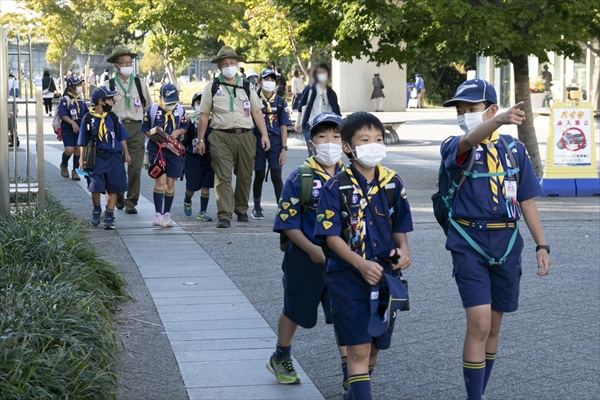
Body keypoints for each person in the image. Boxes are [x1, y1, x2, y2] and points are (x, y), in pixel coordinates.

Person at [440, 79, 551, 400]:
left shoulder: (514, 150)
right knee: (478, 323)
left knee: (493, 327)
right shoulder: (456, 144)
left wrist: (541, 245)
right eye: (460, 111)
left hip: (507, 244)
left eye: (471, 109)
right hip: (468, 243)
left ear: (490, 108)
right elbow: (469, 139)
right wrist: (498, 120)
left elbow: (527, 199)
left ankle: (481, 391)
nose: (464, 116)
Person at [314, 112, 413, 400]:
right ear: (348, 147)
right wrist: (359, 263)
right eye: (365, 140)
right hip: (346, 276)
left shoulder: (393, 183)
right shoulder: (336, 186)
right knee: (357, 348)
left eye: (379, 139)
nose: (374, 145)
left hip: (384, 276)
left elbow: (400, 228)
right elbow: (331, 237)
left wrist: (404, 252)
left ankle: (354, 394)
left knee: (374, 347)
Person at [268, 112, 346, 386]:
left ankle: (352, 370)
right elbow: (287, 222)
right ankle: (281, 355)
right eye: (322, 136)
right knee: (295, 309)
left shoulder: (351, 178)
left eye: (336, 136)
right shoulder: (299, 178)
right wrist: (312, 249)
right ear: (311, 143)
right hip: (304, 258)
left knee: (344, 313)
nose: (330, 142)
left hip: (342, 261)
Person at [196, 45, 270, 228]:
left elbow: (257, 111)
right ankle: (224, 215)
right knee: (223, 176)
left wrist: (264, 134)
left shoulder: (247, 85)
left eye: (231, 62)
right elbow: (204, 114)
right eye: (224, 63)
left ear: (236, 63)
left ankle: (241, 208)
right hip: (220, 136)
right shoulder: (212, 87)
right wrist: (201, 139)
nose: (228, 66)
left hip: (245, 135)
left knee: (245, 175)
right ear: (219, 67)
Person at [104, 46, 151, 214]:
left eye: (130, 62)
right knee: (117, 167)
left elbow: (149, 108)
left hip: (137, 128)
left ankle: (131, 202)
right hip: (116, 129)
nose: (127, 65)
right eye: (123, 62)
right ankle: (119, 197)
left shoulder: (140, 84)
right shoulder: (108, 85)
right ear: (116, 65)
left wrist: (150, 129)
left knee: (135, 168)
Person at [77, 86, 131, 229]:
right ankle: (96, 208)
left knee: (113, 187)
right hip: (97, 158)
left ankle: (109, 215)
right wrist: (81, 159)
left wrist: (126, 152)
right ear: (101, 102)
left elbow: (122, 137)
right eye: (110, 99)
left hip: (114, 157)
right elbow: (83, 140)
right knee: (95, 186)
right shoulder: (88, 118)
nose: (112, 102)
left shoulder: (113, 117)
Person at [141, 83, 188, 227]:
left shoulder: (180, 110)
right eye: (168, 102)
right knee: (160, 181)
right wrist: (157, 136)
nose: (171, 105)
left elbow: (184, 127)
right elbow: (145, 128)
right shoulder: (152, 110)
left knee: (170, 183)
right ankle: (157, 214)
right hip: (158, 150)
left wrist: (177, 133)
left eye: (173, 101)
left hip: (173, 151)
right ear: (160, 97)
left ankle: (167, 214)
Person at [250, 69, 291, 220]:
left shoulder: (280, 102)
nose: (269, 82)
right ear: (260, 82)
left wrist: (284, 149)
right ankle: (256, 206)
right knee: (259, 174)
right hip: (257, 139)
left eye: (272, 80)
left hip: (275, 141)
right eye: (266, 79)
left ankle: (281, 208)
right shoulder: (253, 99)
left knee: (276, 175)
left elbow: (283, 127)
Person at [295, 64, 341, 156]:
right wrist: (298, 122)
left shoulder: (331, 93)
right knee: (312, 152)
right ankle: (312, 169)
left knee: (323, 153)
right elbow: (301, 105)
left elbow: (336, 110)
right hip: (310, 123)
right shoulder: (310, 89)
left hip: (325, 125)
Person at [182, 92, 214, 222]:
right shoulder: (189, 121)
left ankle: (203, 211)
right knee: (192, 186)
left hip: (208, 156)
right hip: (193, 156)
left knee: (206, 184)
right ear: (193, 104)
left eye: (203, 102)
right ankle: (187, 198)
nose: (200, 105)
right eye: (197, 103)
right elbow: (185, 140)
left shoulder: (213, 120)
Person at [57, 75, 88, 181]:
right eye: (78, 85)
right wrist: (72, 123)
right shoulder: (65, 99)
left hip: (80, 128)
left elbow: (86, 113)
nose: (80, 86)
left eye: (80, 84)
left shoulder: (81, 100)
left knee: (78, 150)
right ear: (71, 87)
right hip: (68, 128)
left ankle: (75, 171)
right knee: (69, 149)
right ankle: (64, 164)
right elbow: (63, 114)